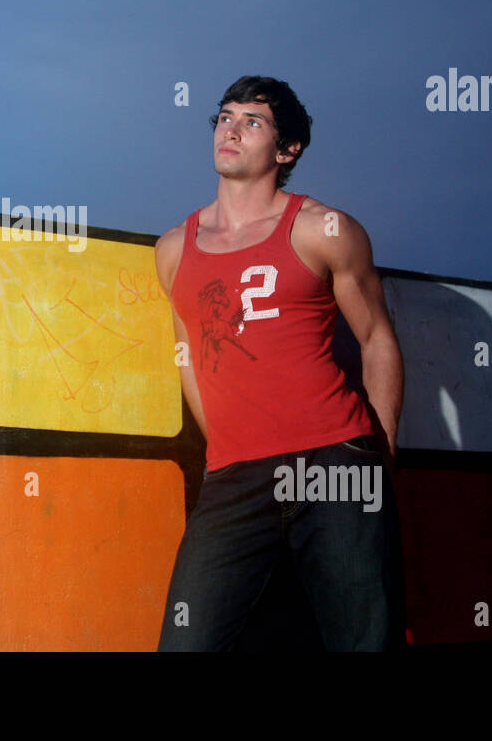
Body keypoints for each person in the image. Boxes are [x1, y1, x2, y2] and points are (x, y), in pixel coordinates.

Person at [155, 75, 405, 651]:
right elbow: (187, 352)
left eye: (252, 122)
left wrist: (380, 454)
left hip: (335, 458)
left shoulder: (324, 229)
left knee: (364, 641)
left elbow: (377, 340)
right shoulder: (174, 248)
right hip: (234, 476)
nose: (230, 130)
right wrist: (223, 447)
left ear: (287, 149)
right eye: (224, 117)